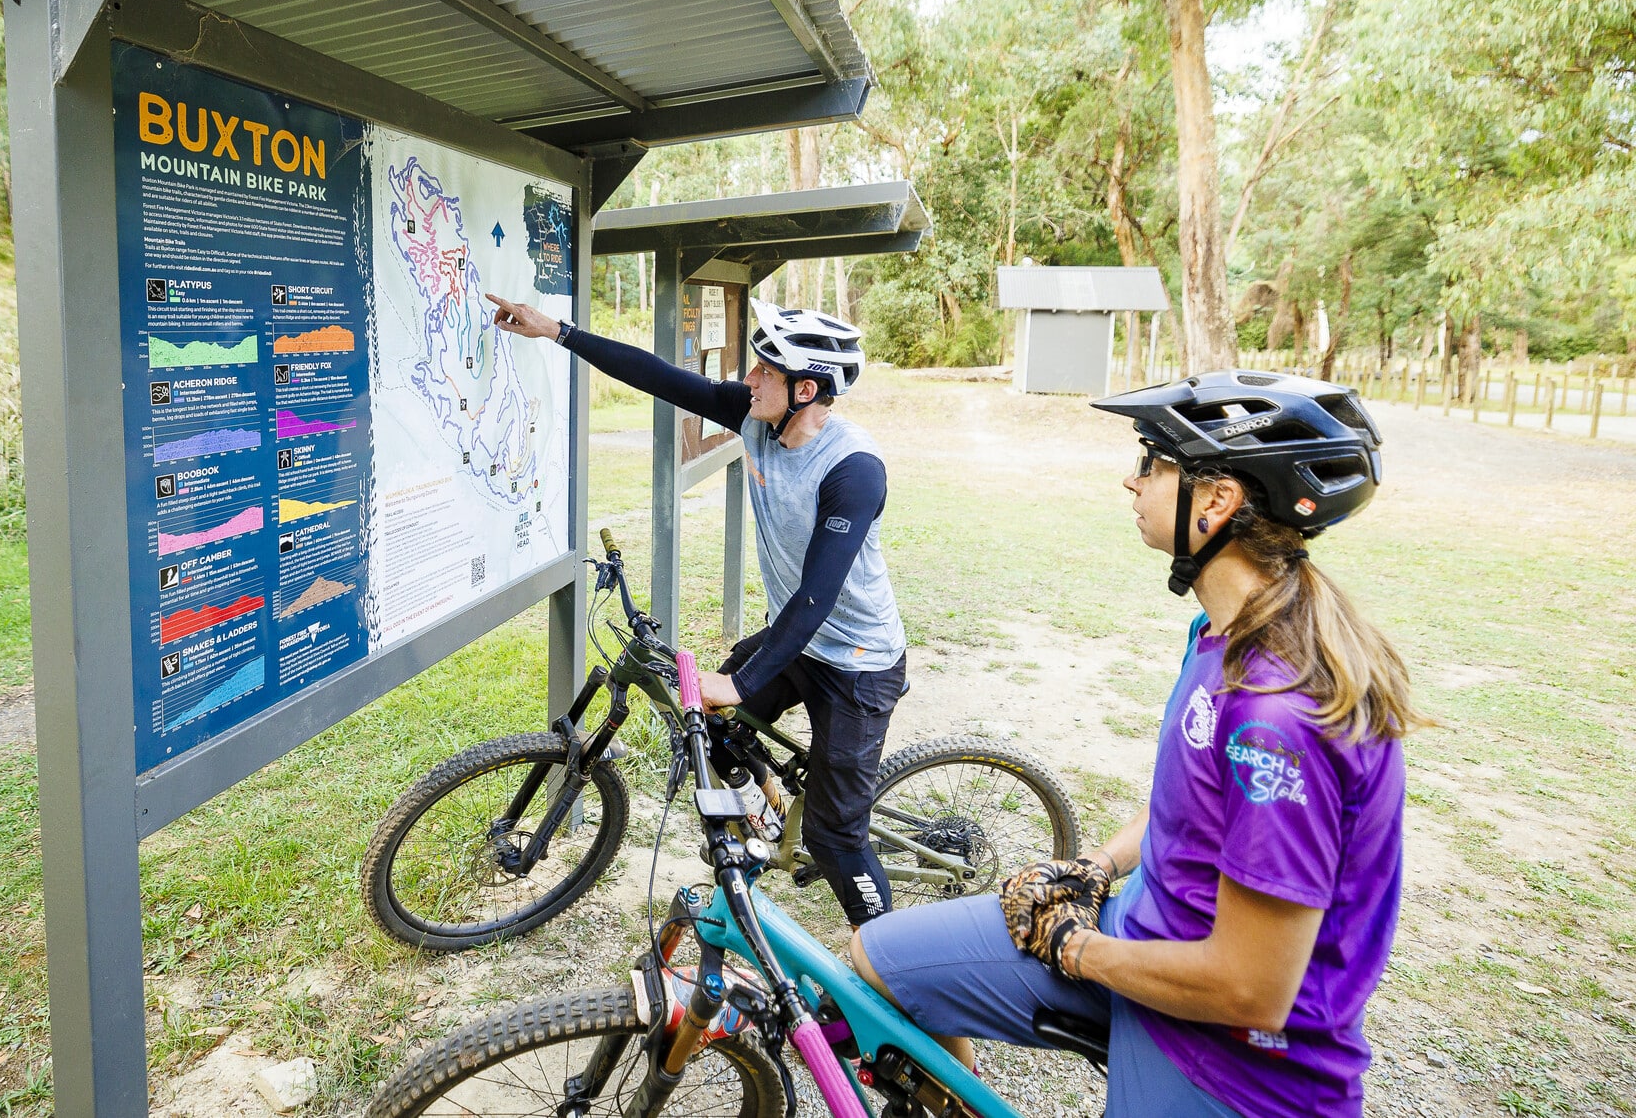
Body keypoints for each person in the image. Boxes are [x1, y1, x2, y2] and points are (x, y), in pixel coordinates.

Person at [851, 371, 1425, 1118]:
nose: (1132, 479)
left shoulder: (1277, 718)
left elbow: (1252, 985)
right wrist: (1095, 866)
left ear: (1216, 500)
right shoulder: (1222, 634)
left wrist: (1076, 949)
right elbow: (1188, 812)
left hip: (1232, 1062)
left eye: (1153, 461)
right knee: (881, 962)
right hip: (1140, 938)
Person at [487, 291, 908, 927]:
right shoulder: (756, 417)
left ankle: (890, 961)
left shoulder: (854, 470)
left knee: (837, 838)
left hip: (857, 665)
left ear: (806, 389)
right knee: (708, 730)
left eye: (765, 370)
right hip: (795, 641)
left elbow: (817, 599)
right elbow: (659, 376)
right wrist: (558, 331)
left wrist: (740, 681)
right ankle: (771, 809)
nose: (748, 379)